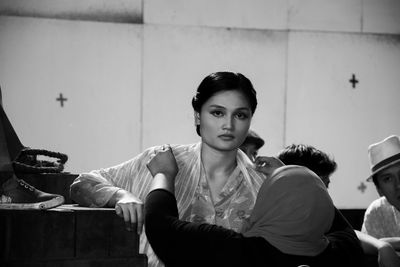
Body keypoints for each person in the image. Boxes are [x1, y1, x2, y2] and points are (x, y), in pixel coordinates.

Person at [70, 72, 266, 267]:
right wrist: (121, 196)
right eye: (217, 112)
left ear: (249, 120)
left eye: (240, 115)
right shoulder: (161, 160)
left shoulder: (262, 182)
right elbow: (82, 184)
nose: (228, 125)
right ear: (198, 116)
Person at [144, 146, 365, 267]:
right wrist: (304, 186)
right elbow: (337, 224)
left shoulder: (238, 252)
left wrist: (164, 173)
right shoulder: (341, 254)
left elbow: (160, 228)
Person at [275, 143, 400, 266]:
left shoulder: (321, 217)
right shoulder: (267, 234)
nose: (324, 196)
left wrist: (382, 246)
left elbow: (347, 234)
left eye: (325, 187)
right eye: (316, 186)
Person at [362, 135, 400, 256]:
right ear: (379, 190)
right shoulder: (377, 212)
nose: (398, 185)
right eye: (388, 179)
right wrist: (382, 245)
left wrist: (388, 243)